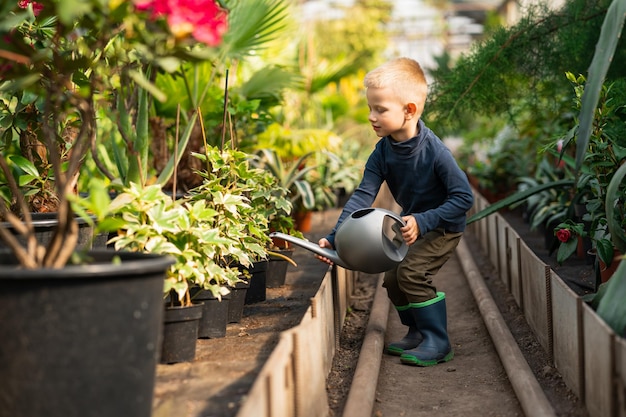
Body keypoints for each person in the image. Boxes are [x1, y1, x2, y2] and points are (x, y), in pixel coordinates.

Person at [316, 57, 474, 367]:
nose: (371, 117)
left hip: (442, 226)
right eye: (370, 108)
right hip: (411, 224)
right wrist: (336, 237)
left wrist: (424, 220)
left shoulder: (435, 152)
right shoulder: (383, 151)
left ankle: (438, 341)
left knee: (412, 273)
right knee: (391, 279)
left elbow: (463, 197)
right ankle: (417, 333)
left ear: (409, 110)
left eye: (380, 109)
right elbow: (363, 196)